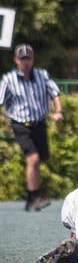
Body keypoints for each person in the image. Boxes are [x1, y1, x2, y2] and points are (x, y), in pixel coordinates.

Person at [0, 43, 64, 212]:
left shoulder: (42, 75)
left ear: (33, 60)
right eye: (22, 59)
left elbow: (54, 92)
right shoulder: (9, 80)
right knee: (33, 159)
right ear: (16, 60)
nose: (26, 63)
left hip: (39, 124)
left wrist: (58, 111)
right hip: (20, 124)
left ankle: (31, 199)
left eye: (28, 59)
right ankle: (35, 195)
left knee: (38, 161)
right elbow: (0, 101)